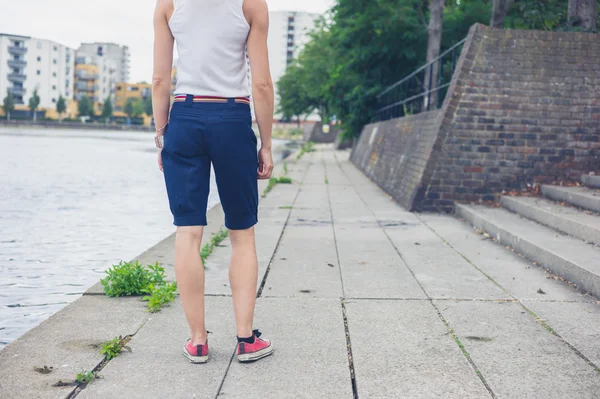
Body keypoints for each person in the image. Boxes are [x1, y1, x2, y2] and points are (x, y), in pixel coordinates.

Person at [151, 0, 275, 364]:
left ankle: (198, 340)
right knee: (242, 232)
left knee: (188, 232)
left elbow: (160, 79)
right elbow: (263, 84)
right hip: (232, 117)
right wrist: (266, 144)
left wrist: (162, 135)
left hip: (185, 116)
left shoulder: (168, 3)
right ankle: (246, 339)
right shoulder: (251, 3)